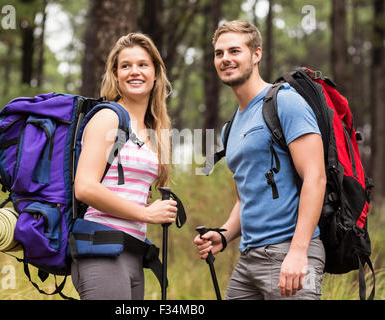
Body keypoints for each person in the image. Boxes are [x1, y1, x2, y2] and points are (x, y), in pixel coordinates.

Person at [194, 20, 327, 300]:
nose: (225, 59)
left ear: (256, 54)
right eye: (219, 53)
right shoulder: (231, 128)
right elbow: (246, 198)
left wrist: (298, 252)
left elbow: (315, 177)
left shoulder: (285, 102)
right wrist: (224, 235)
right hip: (249, 258)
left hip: (290, 253)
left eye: (234, 51)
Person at [73, 33, 177, 300]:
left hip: (132, 251)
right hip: (100, 248)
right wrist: (147, 214)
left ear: (155, 73)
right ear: (116, 75)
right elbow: (84, 188)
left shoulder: (152, 130)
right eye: (126, 66)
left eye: (143, 65)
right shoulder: (108, 117)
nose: (135, 72)